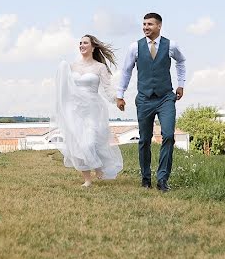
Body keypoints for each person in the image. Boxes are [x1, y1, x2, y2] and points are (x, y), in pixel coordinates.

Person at [116, 13, 186, 192]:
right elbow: (126, 71)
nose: (146, 27)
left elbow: (181, 62)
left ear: (159, 26)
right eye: (144, 24)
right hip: (144, 99)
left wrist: (181, 84)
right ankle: (145, 178)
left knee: (168, 135)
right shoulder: (135, 47)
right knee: (145, 140)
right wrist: (120, 94)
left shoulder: (171, 45)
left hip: (165, 98)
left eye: (150, 24)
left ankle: (162, 179)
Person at [53, 34, 124, 187]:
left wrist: (117, 99)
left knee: (91, 141)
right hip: (75, 109)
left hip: (93, 108)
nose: (82, 45)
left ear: (93, 47)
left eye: (85, 43)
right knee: (79, 143)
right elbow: (64, 88)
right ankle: (87, 179)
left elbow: (107, 89)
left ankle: (98, 165)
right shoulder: (71, 66)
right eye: (80, 43)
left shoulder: (100, 67)